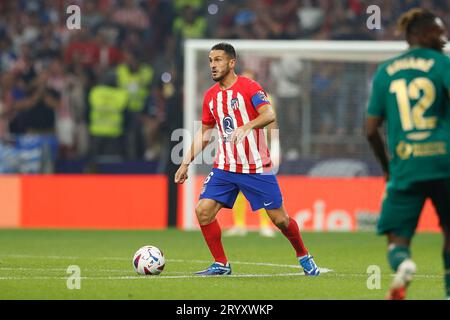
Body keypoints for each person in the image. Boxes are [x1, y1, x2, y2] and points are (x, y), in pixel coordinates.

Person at [174, 42, 320, 276]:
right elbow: (205, 134)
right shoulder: (210, 97)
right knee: (203, 211)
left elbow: (269, 113)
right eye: (211, 60)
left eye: (218, 60)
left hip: (256, 168)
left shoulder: (249, 87)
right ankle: (221, 263)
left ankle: (303, 255)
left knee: (280, 220)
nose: (213, 65)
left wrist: (248, 126)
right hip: (225, 167)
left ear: (232, 63)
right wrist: (185, 162)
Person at [366, 8, 450, 300]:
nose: (444, 37)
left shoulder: (386, 70)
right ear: (420, 34)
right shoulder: (442, 64)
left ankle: (403, 263)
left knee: (396, 237)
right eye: (439, 32)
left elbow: (369, 129)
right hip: (445, 163)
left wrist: (387, 168)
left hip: (406, 165)